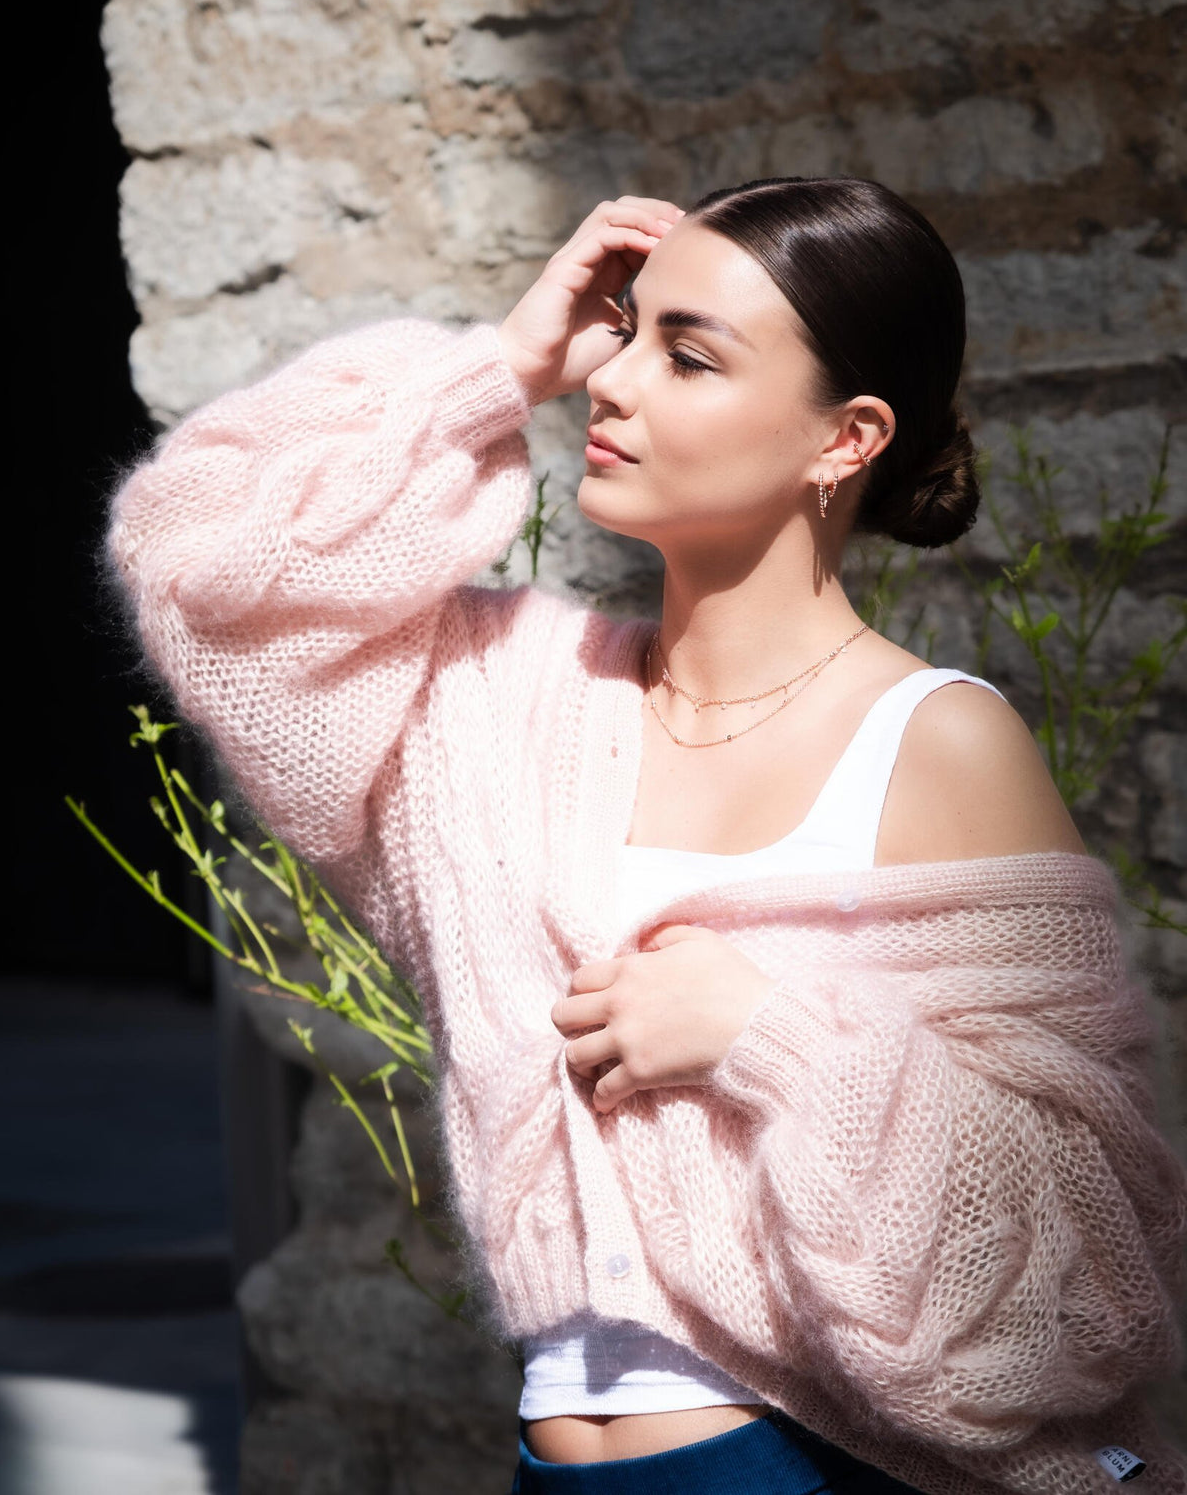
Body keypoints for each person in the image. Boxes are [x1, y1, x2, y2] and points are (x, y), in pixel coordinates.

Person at [101, 178, 1187, 1494]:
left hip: (824, 1470)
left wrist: (766, 1038)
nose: (614, 381)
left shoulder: (940, 743)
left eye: (690, 355)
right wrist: (495, 370)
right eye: (627, 330)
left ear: (844, 438)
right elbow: (194, 564)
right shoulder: (493, 704)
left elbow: (1095, 1249)